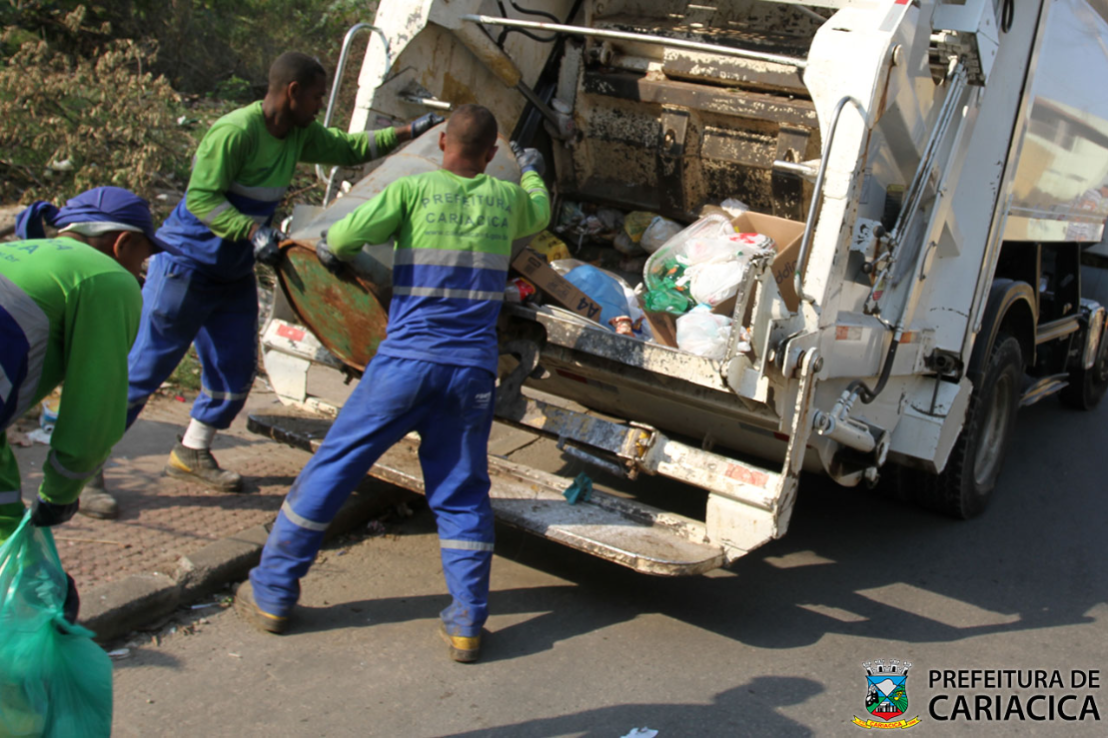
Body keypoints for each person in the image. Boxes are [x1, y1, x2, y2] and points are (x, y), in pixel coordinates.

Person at [236, 104, 551, 662]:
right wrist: (528, 167)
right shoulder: (507, 201)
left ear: (440, 146)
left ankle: (274, 592)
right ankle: (466, 625)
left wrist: (334, 249)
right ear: (489, 154)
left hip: (405, 363)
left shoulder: (412, 190)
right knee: (460, 495)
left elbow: (344, 238)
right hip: (471, 371)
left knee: (335, 466)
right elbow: (541, 210)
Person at [116, 51, 443, 496]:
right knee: (145, 369)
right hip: (188, 264)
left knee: (233, 371)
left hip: (231, 272)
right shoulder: (234, 133)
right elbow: (202, 200)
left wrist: (412, 131)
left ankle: (191, 450)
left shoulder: (298, 134)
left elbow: (347, 149)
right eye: (315, 96)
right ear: (292, 92)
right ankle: (85, 465)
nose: (318, 105)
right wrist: (252, 230)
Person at [1, 186, 162, 537]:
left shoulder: (14, 254)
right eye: (143, 259)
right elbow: (94, 405)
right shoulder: (108, 278)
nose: (142, 274)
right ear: (122, 243)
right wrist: (60, 493)